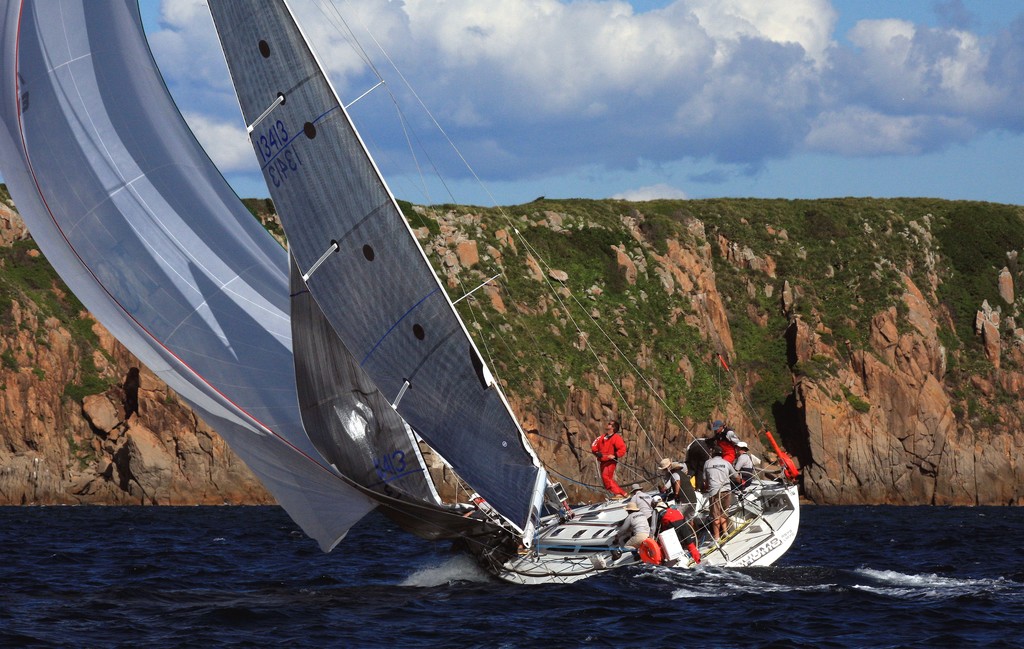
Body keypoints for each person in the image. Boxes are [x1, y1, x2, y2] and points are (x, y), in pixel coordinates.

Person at [703, 445, 740, 542]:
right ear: (721, 454)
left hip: (714, 492)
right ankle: (725, 532)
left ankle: (717, 537)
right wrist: (741, 481)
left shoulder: (707, 463)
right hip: (726, 491)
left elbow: (705, 480)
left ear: (712, 453)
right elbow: (736, 476)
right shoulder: (726, 463)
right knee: (724, 512)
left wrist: (706, 487)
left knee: (715, 515)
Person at [654, 500, 701, 564]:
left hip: (671, 524)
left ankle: (680, 561)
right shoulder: (670, 506)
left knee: (676, 544)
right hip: (681, 520)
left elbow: (654, 526)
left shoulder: (656, 511)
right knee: (688, 541)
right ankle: (697, 559)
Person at [591, 420, 627, 498]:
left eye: (609, 424)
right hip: (602, 461)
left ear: (613, 428)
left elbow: (622, 449)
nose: (607, 424)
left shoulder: (616, 438)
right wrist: (597, 453)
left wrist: (615, 455)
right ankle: (623, 493)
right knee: (607, 479)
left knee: (606, 477)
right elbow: (594, 445)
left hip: (610, 462)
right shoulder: (602, 437)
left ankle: (618, 493)